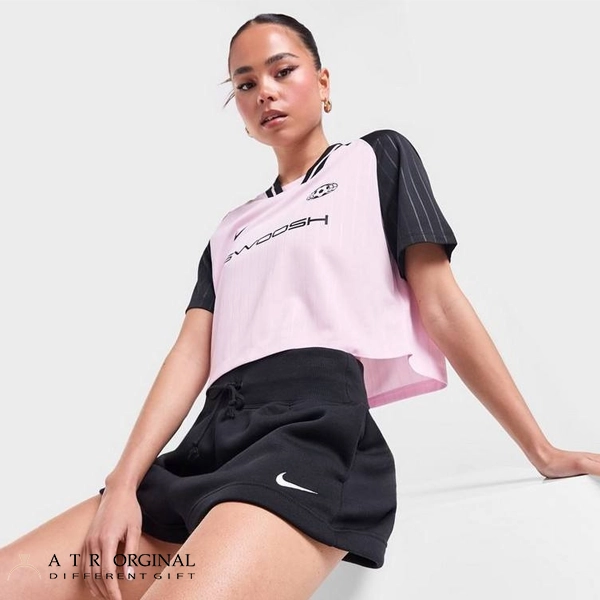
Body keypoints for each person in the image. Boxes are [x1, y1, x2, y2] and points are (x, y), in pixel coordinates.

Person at [2, 11, 600, 600]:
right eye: (245, 84)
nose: (265, 91)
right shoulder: (230, 229)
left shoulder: (375, 159)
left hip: (311, 437)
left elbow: (441, 303)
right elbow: (189, 354)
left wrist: (541, 449)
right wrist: (123, 483)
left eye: (282, 70)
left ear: (322, 80)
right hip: (210, 443)